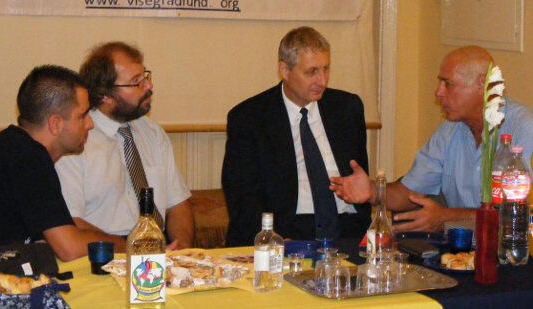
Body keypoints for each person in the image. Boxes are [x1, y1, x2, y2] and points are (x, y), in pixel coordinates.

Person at [330, 46, 533, 233]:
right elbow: (409, 193)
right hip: (461, 252)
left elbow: (519, 214)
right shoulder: (449, 130)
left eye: (448, 84)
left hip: (511, 250)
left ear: (482, 84)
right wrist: (373, 191)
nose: (438, 92)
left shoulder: (523, 128)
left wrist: (446, 218)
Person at [222, 26, 371, 246]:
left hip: (348, 230)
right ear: (285, 70)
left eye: (326, 69)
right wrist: (273, 240)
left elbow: (360, 179)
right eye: (312, 72)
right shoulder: (250, 118)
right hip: (288, 232)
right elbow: (242, 197)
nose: (322, 81)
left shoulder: (347, 108)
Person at [56, 42, 194, 249]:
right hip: (106, 251)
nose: (148, 86)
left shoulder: (153, 133)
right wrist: (131, 249)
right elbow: (72, 222)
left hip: (160, 249)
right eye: (136, 82)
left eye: (145, 76)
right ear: (105, 95)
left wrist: (181, 250)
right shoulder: (75, 142)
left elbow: (177, 203)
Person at [0, 65, 126, 261]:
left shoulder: (12, 148)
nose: (90, 124)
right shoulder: (28, 158)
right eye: (83, 116)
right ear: (55, 124)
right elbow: (69, 249)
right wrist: (127, 247)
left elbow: (65, 226)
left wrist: (124, 242)